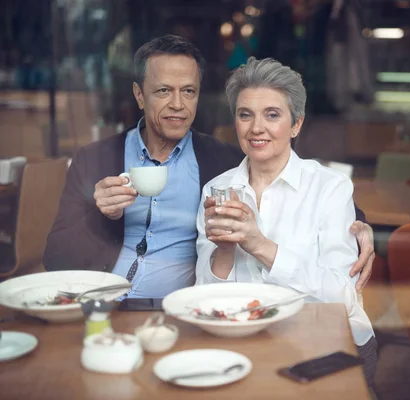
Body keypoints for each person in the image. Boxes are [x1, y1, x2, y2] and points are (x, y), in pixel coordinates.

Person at [43, 35, 375, 298]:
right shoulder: (94, 159)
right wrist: (97, 214)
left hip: (178, 309)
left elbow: (310, 191)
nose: (178, 104)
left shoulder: (221, 163)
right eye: (163, 91)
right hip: (103, 306)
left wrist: (361, 228)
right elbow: (56, 260)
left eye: (188, 91)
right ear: (139, 95)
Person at [195, 57, 377, 386]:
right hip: (243, 344)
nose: (256, 128)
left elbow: (342, 297)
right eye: (245, 114)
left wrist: (261, 246)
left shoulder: (330, 187)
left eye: (272, 115)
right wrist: (223, 251)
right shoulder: (216, 190)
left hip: (325, 346)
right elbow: (206, 299)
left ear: (296, 125)